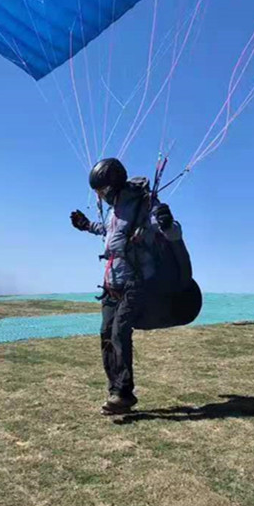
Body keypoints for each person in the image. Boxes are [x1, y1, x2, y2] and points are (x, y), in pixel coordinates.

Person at [70, 158, 179, 415]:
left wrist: (168, 223)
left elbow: (171, 232)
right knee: (106, 334)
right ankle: (115, 391)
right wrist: (87, 226)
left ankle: (123, 393)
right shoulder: (113, 210)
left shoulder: (144, 203)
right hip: (111, 282)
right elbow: (110, 233)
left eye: (102, 190)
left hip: (136, 279)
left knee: (120, 331)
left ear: (114, 185)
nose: (100, 195)